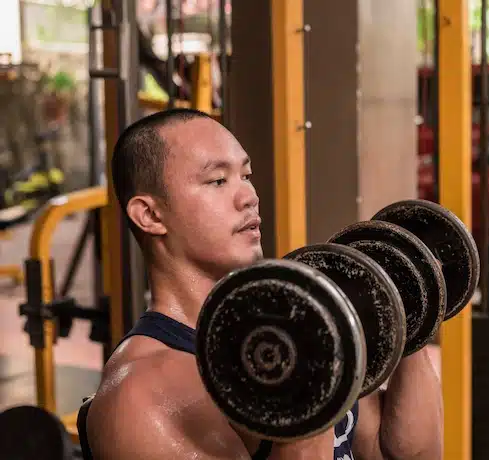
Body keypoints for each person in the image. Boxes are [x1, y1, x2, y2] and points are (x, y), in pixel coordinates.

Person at [83, 108, 443, 460]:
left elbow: (396, 452)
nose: (249, 197)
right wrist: (302, 398)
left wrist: (407, 310)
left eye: (246, 175)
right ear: (150, 215)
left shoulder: (299, 321)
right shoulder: (137, 398)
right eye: (218, 181)